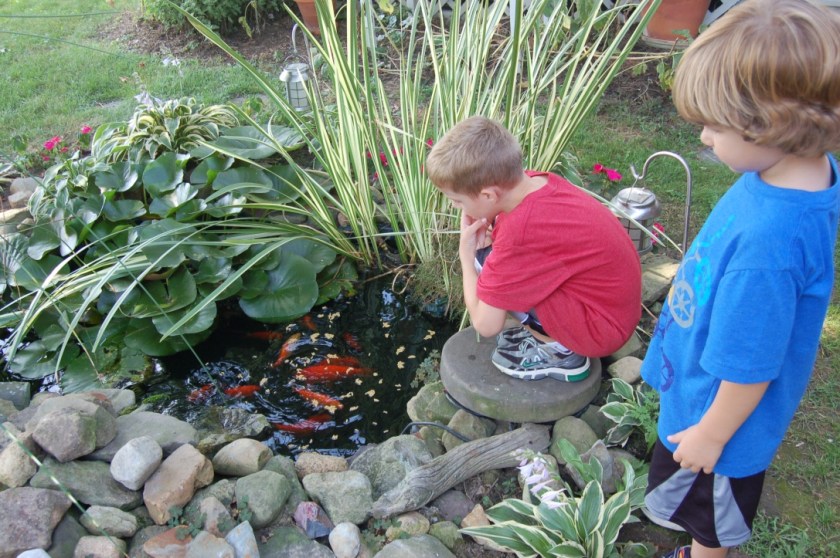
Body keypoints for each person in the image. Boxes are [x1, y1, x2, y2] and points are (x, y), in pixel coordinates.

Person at [639, 1, 840, 557]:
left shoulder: (768, 247)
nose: (703, 138)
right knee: (704, 510)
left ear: (771, 125)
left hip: (719, 420)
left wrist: (712, 435)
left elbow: (751, 365)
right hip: (706, 389)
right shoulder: (798, 170)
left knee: (710, 522)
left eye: (712, 126)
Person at [425, 115, 642, 381]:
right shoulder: (537, 182)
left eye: (457, 201)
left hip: (600, 331)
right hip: (612, 308)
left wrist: (466, 257)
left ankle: (563, 353)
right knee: (498, 266)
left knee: (485, 262)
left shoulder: (522, 232)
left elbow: (485, 325)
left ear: (489, 195)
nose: (456, 208)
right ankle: (554, 333)